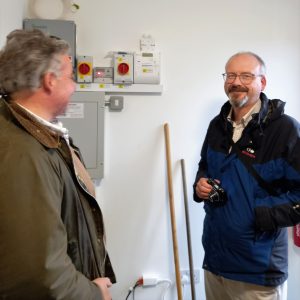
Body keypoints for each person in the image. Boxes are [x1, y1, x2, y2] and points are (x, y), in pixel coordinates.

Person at [0, 29, 115, 299]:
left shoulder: (40, 134)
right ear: (50, 81)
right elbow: (39, 274)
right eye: (71, 76)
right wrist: (94, 293)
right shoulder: (22, 153)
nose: (75, 85)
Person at [193, 51, 300, 300]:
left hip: (258, 270)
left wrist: (258, 214)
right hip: (215, 262)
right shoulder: (216, 126)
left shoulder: (285, 130)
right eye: (230, 75)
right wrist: (200, 185)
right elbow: (204, 166)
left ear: (262, 82)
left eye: (246, 75)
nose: (236, 82)